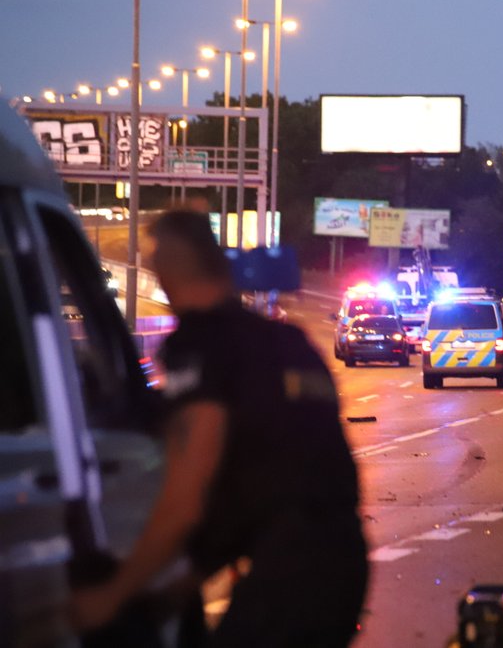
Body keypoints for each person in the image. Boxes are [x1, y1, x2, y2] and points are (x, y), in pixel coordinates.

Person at [70, 210, 368, 646]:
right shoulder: (290, 343)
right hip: (342, 560)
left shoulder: (204, 347)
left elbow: (185, 500)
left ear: (167, 271)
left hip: (293, 572)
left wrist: (112, 595)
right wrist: (187, 580)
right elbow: (267, 482)